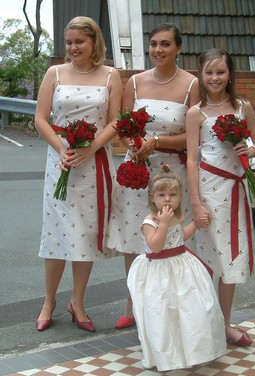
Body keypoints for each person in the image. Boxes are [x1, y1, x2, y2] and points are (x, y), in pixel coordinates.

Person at [106, 23, 200, 329]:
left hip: (171, 173)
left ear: (178, 48)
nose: (157, 50)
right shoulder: (135, 81)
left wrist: (157, 142)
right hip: (138, 171)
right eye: (153, 44)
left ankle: (171, 305)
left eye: (165, 44)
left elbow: (193, 133)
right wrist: (136, 145)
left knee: (170, 238)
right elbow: (125, 123)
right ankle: (132, 304)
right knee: (137, 238)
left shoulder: (191, 84)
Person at [34, 16, 123, 332]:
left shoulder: (111, 76)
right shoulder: (54, 74)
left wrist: (91, 148)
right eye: (69, 42)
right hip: (60, 160)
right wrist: (62, 149)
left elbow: (115, 121)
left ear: (94, 42)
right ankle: (49, 300)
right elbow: (41, 119)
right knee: (57, 231)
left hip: (94, 163)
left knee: (85, 232)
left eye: (79, 42)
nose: (73, 48)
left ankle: (78, 301)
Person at [186, 48, 255, 346]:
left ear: (230, 74)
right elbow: (192, 159)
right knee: (210, 258)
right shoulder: (196, 113)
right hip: (208, 192)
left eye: (220, 72)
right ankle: (205, 324)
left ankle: (224, 322)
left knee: (231, 258)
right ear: (201, 75)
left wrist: (252, 149)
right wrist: (195, 202)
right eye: (209, 72)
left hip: (236, 191)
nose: (215, 78)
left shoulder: (242, 107)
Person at [127, 166, 227, 371]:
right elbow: (155, 245)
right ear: (152, 197)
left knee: (189, 309)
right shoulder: (150, 221)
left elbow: (180, 236)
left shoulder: (174, 216)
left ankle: (193, 349)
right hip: (160, 272)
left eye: (173, 195)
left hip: (182, 267)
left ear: (180, 197)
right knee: (165, 311)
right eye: (161, 194)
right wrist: (163, 224)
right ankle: (167, 354)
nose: (167, 199)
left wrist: (196, 225)